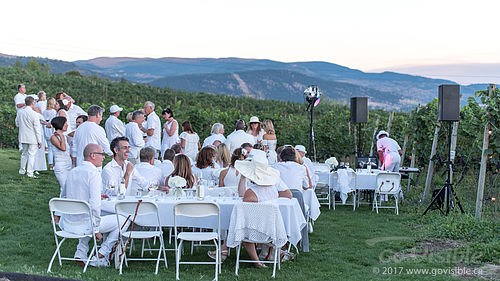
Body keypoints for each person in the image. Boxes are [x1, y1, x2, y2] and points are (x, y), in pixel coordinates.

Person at [59, 144, 128, 267]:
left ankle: (81, 252)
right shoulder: (94, 173)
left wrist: (57, 215)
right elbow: (95, 205)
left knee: (90, 215)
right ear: (92, 155)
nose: (103, 157)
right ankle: (102, 253)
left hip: (68, 223)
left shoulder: (73, 171)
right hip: (86, 225)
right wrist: (96, 230)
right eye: (101, 154)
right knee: (124, 219)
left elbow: (63, 196)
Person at [15, 96, 42, 178]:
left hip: (23, 136)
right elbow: (37, 129)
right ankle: (30, 172)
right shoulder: (34, 114)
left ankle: (22, 170)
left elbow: (17, 124)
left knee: (24, 154)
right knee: (31, 155)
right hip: (32, 137)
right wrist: (39, 141)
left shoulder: (20, 112)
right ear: (33, 103)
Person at [50, 116, 72, 194]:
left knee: (70, 187)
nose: (67, 125)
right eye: (65, 123)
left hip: (68, 164)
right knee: (65, 188)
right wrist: (61, 136)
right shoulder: (54, 137)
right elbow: (63, 148)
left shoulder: (64, 137)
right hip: (61, 166)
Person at [43, 97, 57, 170]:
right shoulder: (54, 112)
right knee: (53, 148)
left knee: (49, 148)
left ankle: (50, 164)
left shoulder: (44, 111)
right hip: (51, 130)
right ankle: (54, 164)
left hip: (45, 130)